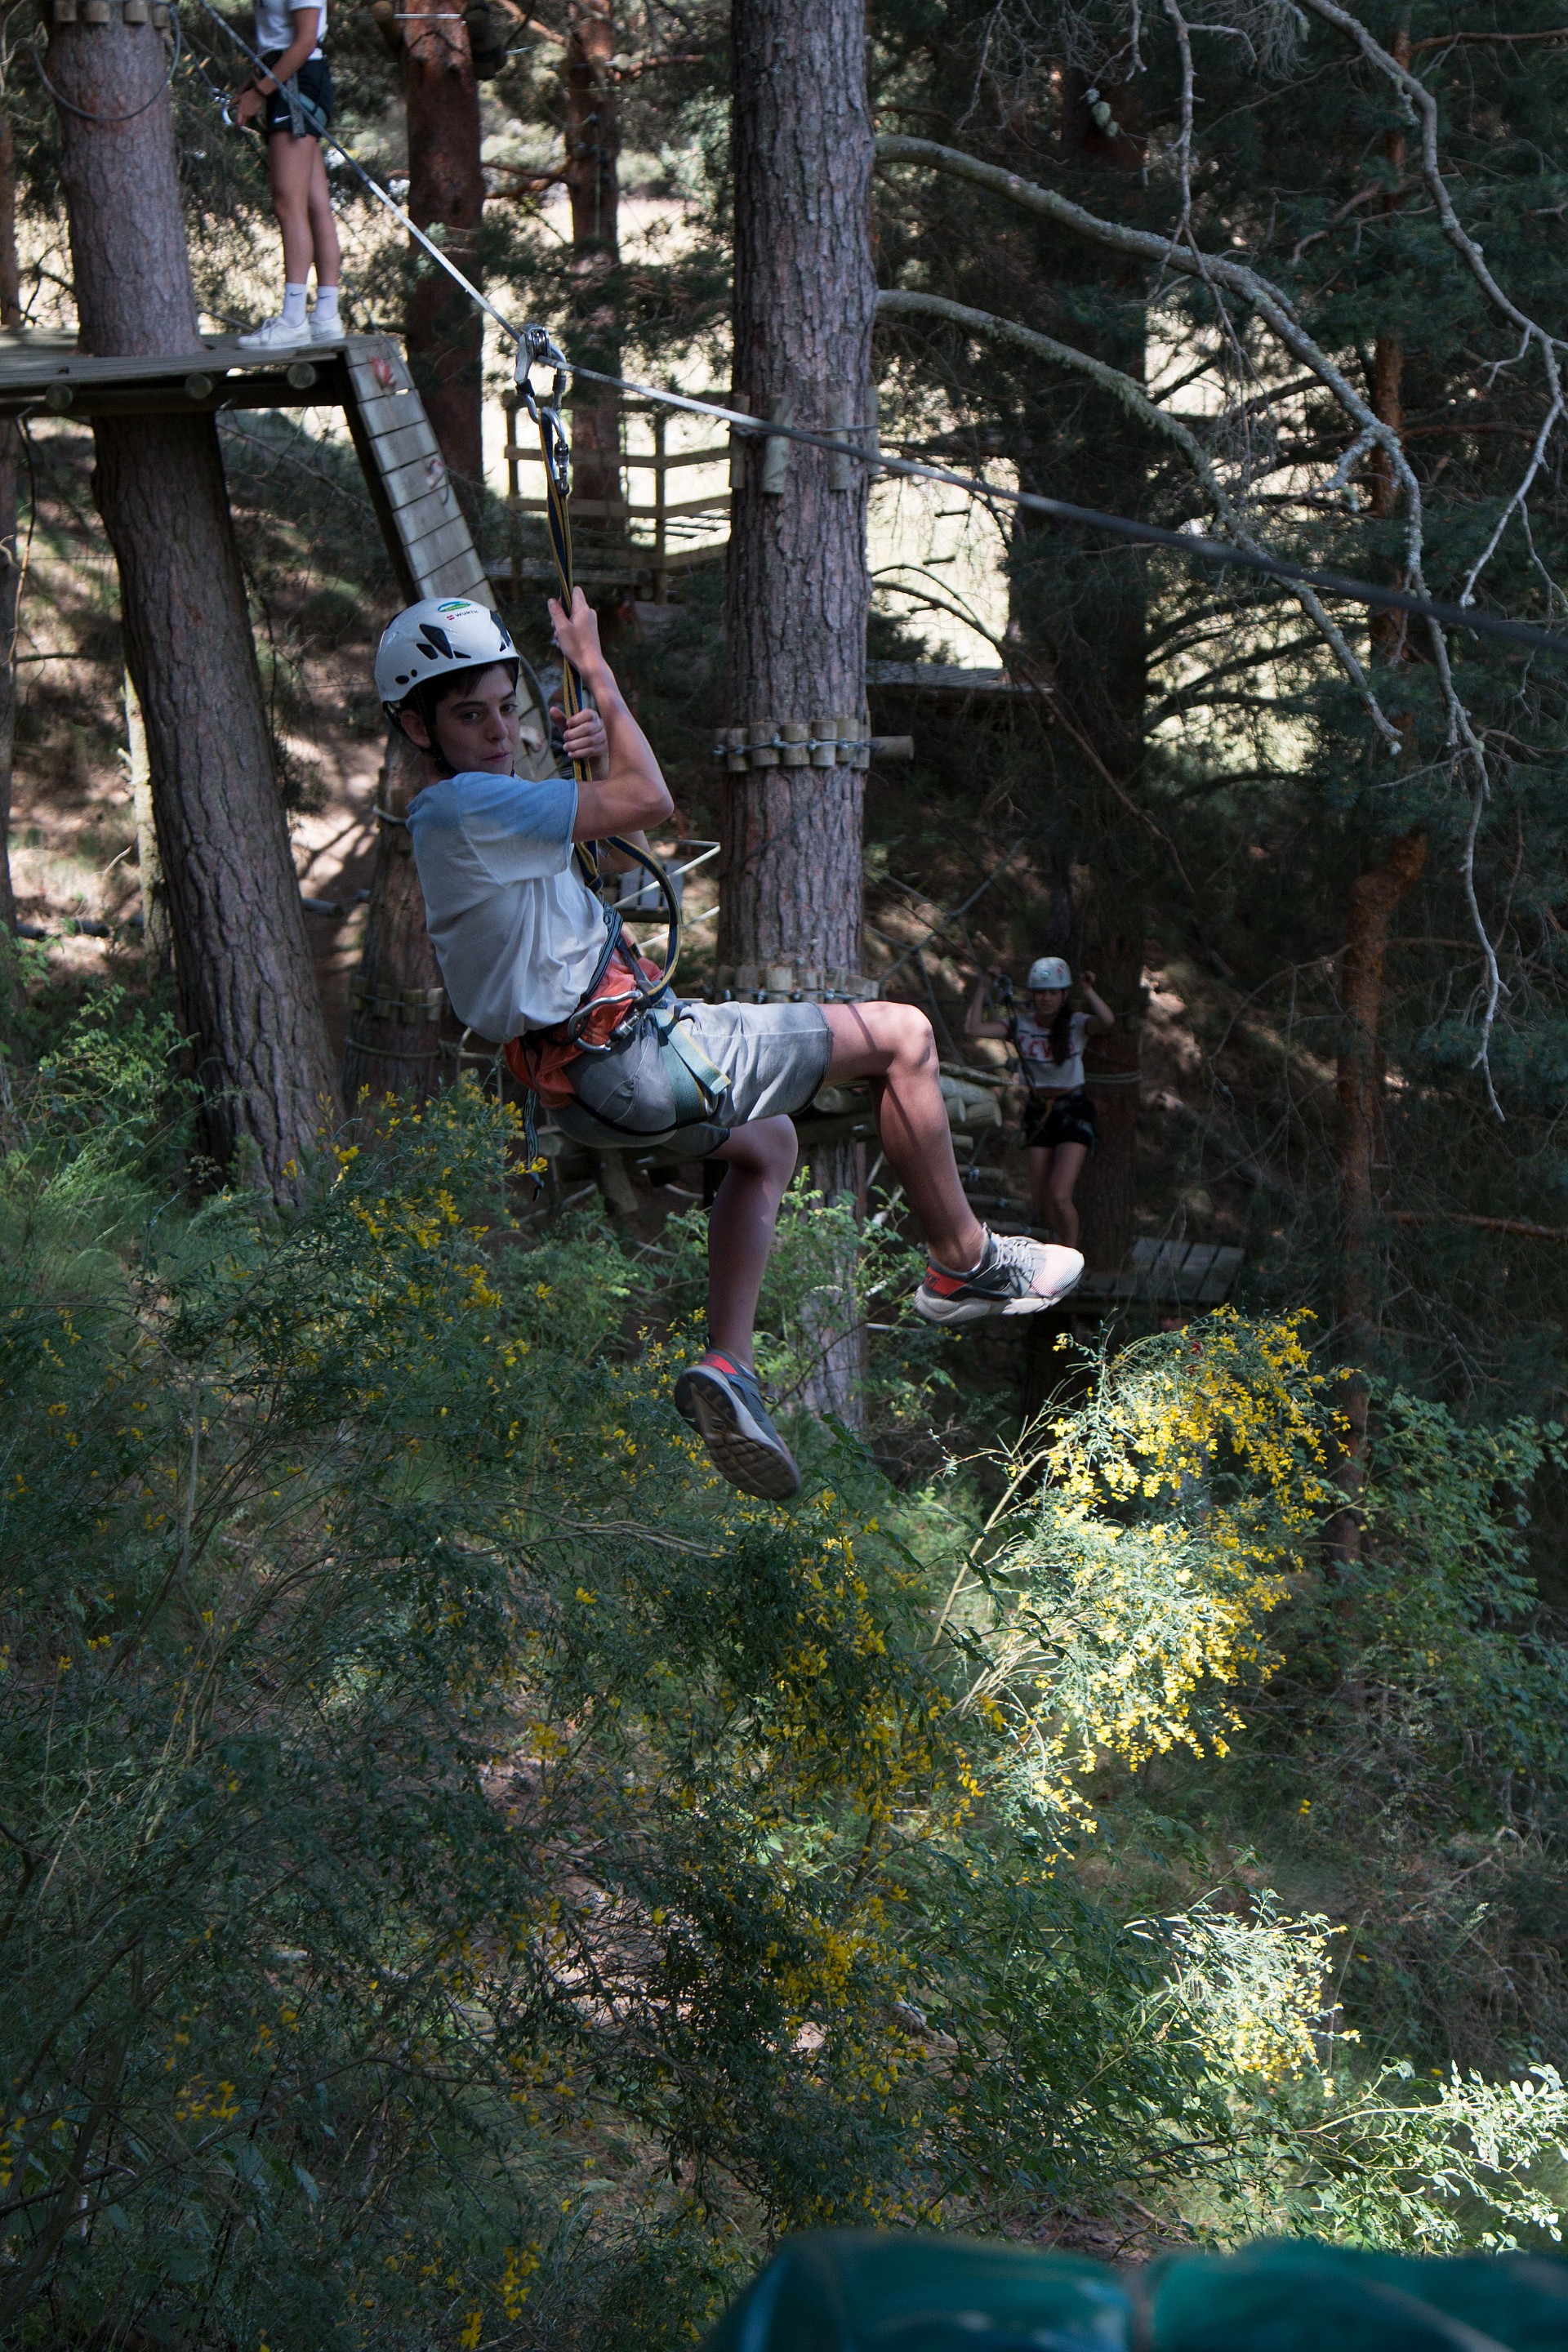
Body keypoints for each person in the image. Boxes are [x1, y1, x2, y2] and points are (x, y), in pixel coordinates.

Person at [376, 591, 1085, 1503]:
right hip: (634, 1059)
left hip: (588, 1091)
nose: (500, 730)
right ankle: (962, 1260)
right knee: (904, 1037)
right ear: (415, 725)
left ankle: (730, 1366)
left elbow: (624, 858)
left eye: (507, 707)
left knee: (771, 1142)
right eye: (470, 715)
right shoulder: (471, 806)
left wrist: (592, 772)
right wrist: (596, 669)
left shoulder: (477, 813)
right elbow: (655, 801)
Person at [965, 956, 1115, 1247]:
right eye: (1041, 992)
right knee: (1042, 1201)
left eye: (1053, 992)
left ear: (1063, 995)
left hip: (1073, 1109)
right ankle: (1061, 1245)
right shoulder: (1020, 1025)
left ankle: (1072, 1258)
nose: (1046, 998)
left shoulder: (1076, 1024)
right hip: (1039, 1111)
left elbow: (1107, 1021)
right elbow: (973, 1029)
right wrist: (983, 988)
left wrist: (1088, 992)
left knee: (1060, 1194)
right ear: (1032, 995)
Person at [232, 0, 342, 352]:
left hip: (297, 82)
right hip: (290, 78)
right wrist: (250, 87)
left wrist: (259, 92)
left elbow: (305, 40)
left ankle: (293, 320)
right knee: (314, 203)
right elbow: (276, 43)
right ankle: (326, 316)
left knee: (288, 203)